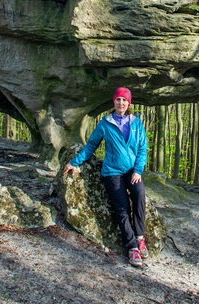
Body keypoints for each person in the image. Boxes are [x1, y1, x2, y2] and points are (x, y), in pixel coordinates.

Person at [63, 87, 148, 267]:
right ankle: (132, 246)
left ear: (129, 103)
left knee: (139, 195)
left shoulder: (136, 123)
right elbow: (91, 146)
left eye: (124, 100)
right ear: (114, 102)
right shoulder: (105, 123)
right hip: (112, 172)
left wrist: (138, 170)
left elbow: (142, 149)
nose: (121, 103)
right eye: (118, 100)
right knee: (122, 208)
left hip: (132, 171)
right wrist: (74, 162)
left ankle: (140, 236)